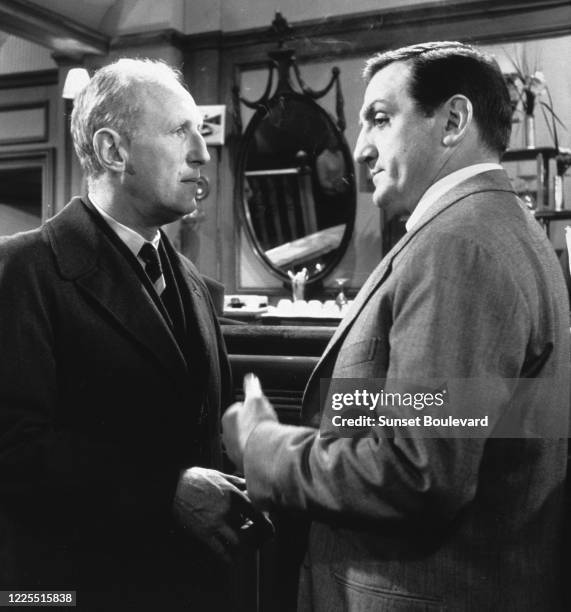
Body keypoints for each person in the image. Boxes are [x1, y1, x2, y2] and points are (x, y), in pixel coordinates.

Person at [222, 42, 570, 611]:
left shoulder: (459, 245)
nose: (360, 149)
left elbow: (417, 470)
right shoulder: (490, 228)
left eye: (380, 119)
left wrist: (268, 448)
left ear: (453, 121)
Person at [0, 58, 269, 611]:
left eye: (202, 131)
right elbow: (12, 446)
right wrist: (163, 492)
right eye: (180, 132)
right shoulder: (22, 270)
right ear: (112, 151)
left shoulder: (192, 282)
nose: (202, 152)